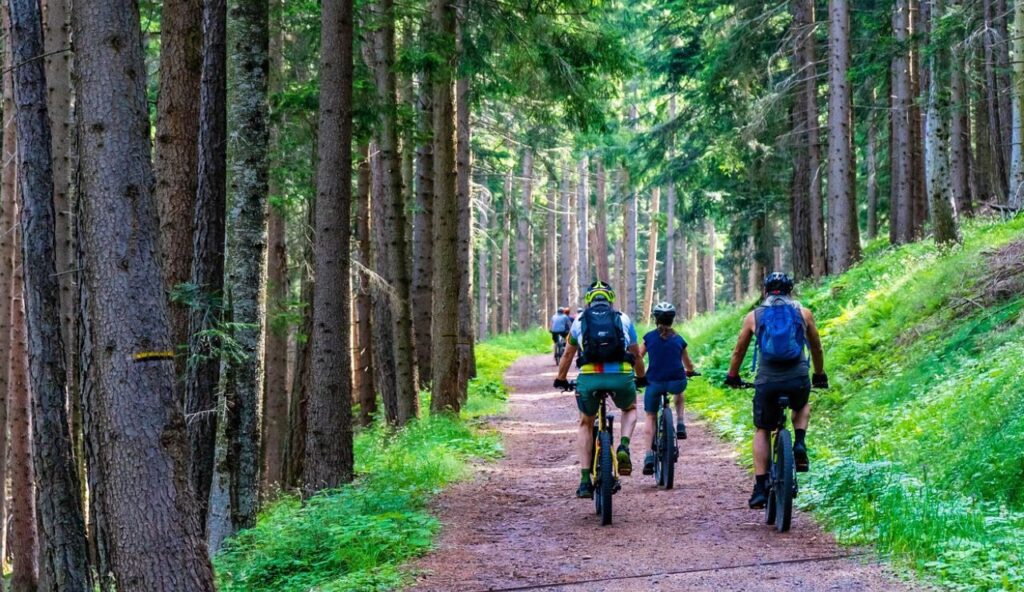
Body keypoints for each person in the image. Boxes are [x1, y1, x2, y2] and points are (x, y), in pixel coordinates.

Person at [723, 272, 828, 509]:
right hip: (797, 378)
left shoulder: (754, 316)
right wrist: (819, 374)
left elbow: (739, 351)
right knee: (801, 404)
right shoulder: (803, 313)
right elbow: (817, 347)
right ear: (791, 290)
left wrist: (732, 376)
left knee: (762, 428)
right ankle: (799, 442)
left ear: (766, 291)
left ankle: (760, 487)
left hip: (767, 382)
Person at [554, 281, 647, 499]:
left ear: (589, 300)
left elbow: (567, 354)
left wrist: (561, 379)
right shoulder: (623, 319)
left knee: (586, 423)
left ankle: (585, 481)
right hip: (621, 377)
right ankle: (624, 446)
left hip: (590, 378)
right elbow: (636, 354)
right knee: (630, 408)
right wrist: (641, 377)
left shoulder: (579, 320)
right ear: (610, 299)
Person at [637, 302, 698, 475]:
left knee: (650, 416)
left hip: (654, 382)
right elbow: (688, 363)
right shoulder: (679, 339)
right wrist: (690, 371)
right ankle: (680, 422)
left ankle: (648, 456)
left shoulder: (649, 338)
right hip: (676, 382)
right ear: (672, 319)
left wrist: (639, 375)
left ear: (655, 319)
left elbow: (638, 357)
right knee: (680, 389)